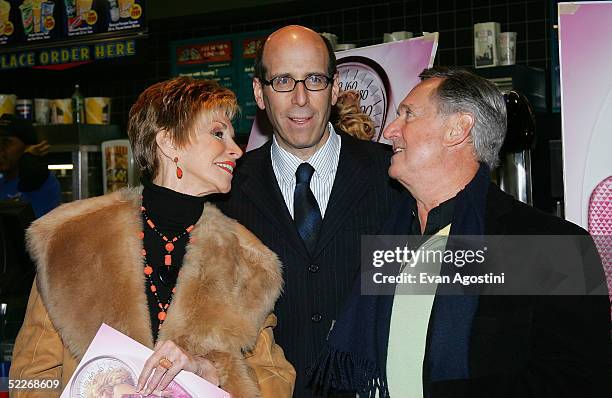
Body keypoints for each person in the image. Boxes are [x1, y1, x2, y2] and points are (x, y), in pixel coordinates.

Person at [309, 67, 611, 397]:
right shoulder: (390, 240)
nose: (391, 130)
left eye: (408, 115)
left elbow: (578, 381)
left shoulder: (550, 246)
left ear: (458, 128)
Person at [9, 77, 295, 398]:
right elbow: (28, 378)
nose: (236, 150)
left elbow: (275, 376)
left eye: (232, 135)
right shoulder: (75, 239)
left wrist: (210, 372)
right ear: (169, 142)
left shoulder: (247, 261)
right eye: (218, 133)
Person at [216, 25, 401, 397]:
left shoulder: (392, 177)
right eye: (283, 80)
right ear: (260, 93)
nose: (300, 98)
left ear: (334, 89)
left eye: (314, 79)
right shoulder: (226, 190)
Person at [0, 113, 60, 218]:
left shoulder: (40, 179)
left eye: (6, 142)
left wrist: (28, 157)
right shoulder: (1, 182)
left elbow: (31, 176)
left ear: (28, 147)